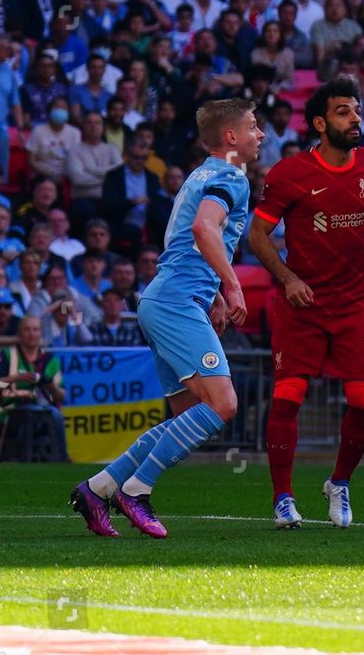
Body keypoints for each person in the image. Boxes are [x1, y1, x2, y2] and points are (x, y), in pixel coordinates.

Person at [247, 76, 364, 530]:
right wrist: (288, 277)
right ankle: (282, 498)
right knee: (289, 396)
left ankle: (340, 483)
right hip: (302, 302)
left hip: (354, 304)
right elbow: (257, 236)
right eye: (343, 112)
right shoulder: (289, 173)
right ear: (318, 122)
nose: (355, 119)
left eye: (356, 110)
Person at [69, 99, 262, 539]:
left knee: (189, 413)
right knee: (224, 404)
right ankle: (136, 491)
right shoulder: (230, 174)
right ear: (230, 138)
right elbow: (203, 230)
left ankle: (98, 488)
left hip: (166, 299)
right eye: (253, 126)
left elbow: (190, 240)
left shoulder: (200, 174)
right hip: (176, 301)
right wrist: (232, 286)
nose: (261, 134)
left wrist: (212, 294)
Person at [0, 316, 68, 462]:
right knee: (29, 419)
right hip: (11, 409)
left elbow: (62, 396)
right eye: (27, 330)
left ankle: (61, 459)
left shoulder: (49, 359)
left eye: (35, 330)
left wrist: (50, 385)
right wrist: (17, 378)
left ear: (40, 333)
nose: (31, 334)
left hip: (42, 409)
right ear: (19, 334)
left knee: (55, 415)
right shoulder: (8, 354)